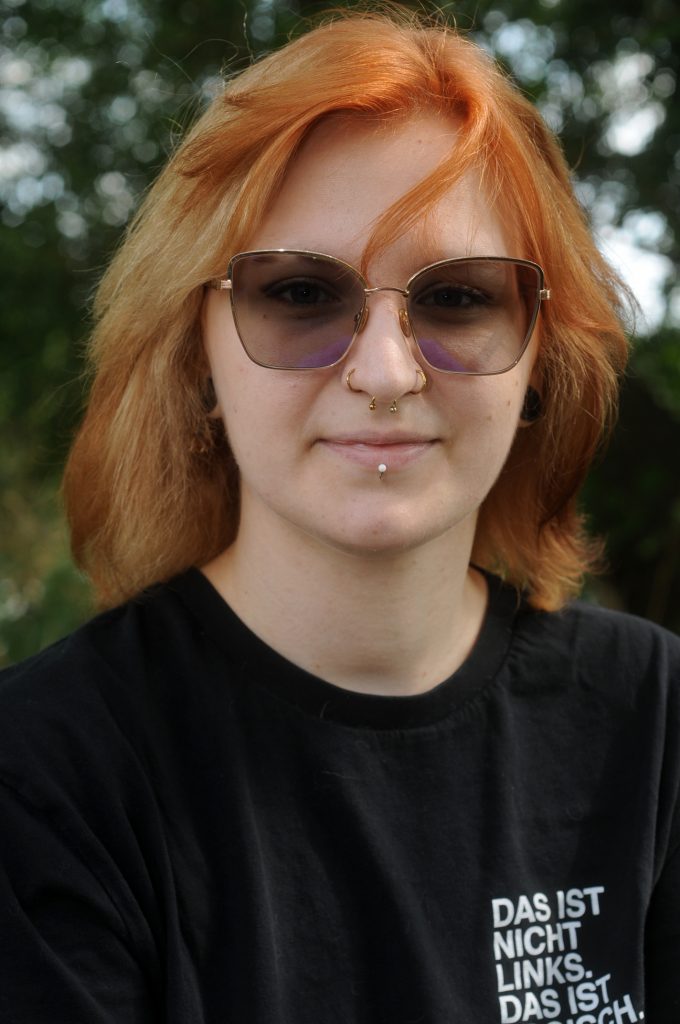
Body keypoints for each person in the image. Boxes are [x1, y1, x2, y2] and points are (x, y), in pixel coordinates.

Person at [0, 8, 678, 1022]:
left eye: (455, 298)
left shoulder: (656, 719)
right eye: (300, 294)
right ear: (198, 358)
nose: (385, 372)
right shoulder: (41, 774)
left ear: (538, 351)